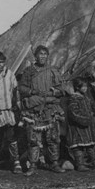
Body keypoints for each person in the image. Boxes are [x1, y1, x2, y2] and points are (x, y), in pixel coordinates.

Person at [18, 45, 66, 175]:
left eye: (45, 54)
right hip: (34, 110)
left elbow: (62, 89)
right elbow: (21, 88)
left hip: (50, 108)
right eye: (40, 54)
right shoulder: (29, 71)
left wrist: (54, 92)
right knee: (33, 139)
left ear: (48, 56)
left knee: (53, 138)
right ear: (35, 56)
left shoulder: (53, 71)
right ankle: (33, 165)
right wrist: (33, 91)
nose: (43, 56)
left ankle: (54, 163)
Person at [66, 77, 95, 171]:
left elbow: (92, 104)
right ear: (77, 87)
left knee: (90, 145)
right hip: (77, 127)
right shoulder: (73, 99)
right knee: (78, 147)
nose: (85, 88)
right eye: (83, 86)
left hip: (87, 128)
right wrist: (85, 119)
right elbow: (73, 113)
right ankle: (80, 164)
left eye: (86, 86)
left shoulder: (85, 97)